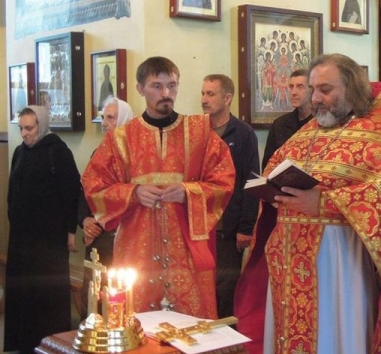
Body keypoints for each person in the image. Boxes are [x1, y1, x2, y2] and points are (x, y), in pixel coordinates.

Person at [235, 54, 381, 354]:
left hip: (340, 266)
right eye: (313, 89)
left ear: (351, 88)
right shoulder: (305, 134)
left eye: (326, 89)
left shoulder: (380, 138)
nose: (316, 98)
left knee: (335, 342)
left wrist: (325, 202)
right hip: (288, 264)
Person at [81, 57, 235, 319]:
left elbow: (224, 179)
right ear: (140, 88)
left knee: (190, 327)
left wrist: (189, 191)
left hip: (185, 249)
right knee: (138, 324)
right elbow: (94, 184)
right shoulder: (120, 139)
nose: (166, 94)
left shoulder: (201, 133)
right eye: (157, 86)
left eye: (172, 85)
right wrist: (134, 193)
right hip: (136, 248)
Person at [4, 106, 81, 354]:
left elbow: (71, 192)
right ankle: (23, 342)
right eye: (21, 128)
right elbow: (12, 190)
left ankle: (49, 343)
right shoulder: (19, 152)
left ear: (42, 125)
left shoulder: (56, 151)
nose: (25, 134)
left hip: (48, 237)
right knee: (23, 287)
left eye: (30, 128)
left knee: (45, 289)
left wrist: (71, 230)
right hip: (22, 236)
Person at [200, 74, 259, 319]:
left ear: (227, 98)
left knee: (225, 291)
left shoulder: (243, 133)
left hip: (228, 228)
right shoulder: (196, 131)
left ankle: (225, 350)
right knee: (202, 288)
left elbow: (251, 181)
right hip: (201, 226)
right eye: (202, 93)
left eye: (210, 94)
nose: (204, 99)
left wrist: (245, 228)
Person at [78, 96, 134, 318]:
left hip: (123, 237)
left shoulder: (135, 156)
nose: (103, 123)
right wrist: (85, 220)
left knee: (118, 300)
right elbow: (84, 191)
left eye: (110, 118)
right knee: (91, 297)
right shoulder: (98, 153)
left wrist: (101, 217)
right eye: (103, 117)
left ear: (123, 119)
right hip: (98, 238)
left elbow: (130, 195)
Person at [262, 69, 312, 169]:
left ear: (312, 90)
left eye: (300, 87)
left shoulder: (321, 123)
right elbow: (267, 165)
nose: (293, 92)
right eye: (291, 87)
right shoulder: (279, 125)